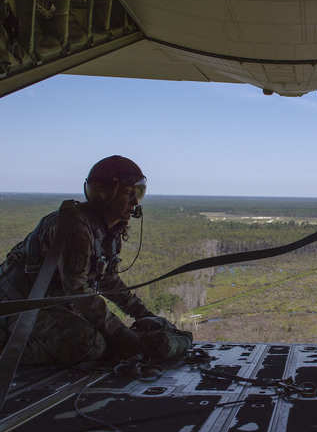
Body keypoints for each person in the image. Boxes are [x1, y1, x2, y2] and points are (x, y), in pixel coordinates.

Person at [0, 155, 184, 364]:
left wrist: (144, 315)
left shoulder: (109, 231)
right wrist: (121, 334)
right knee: (89, 345)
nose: (134, 202)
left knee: (110, 341)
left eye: (138, 193)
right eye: (128, 193)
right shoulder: (76, 228)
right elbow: (77, 291)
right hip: (18, 304)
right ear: (105, 194)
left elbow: (109, 281)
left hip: (51, 303)